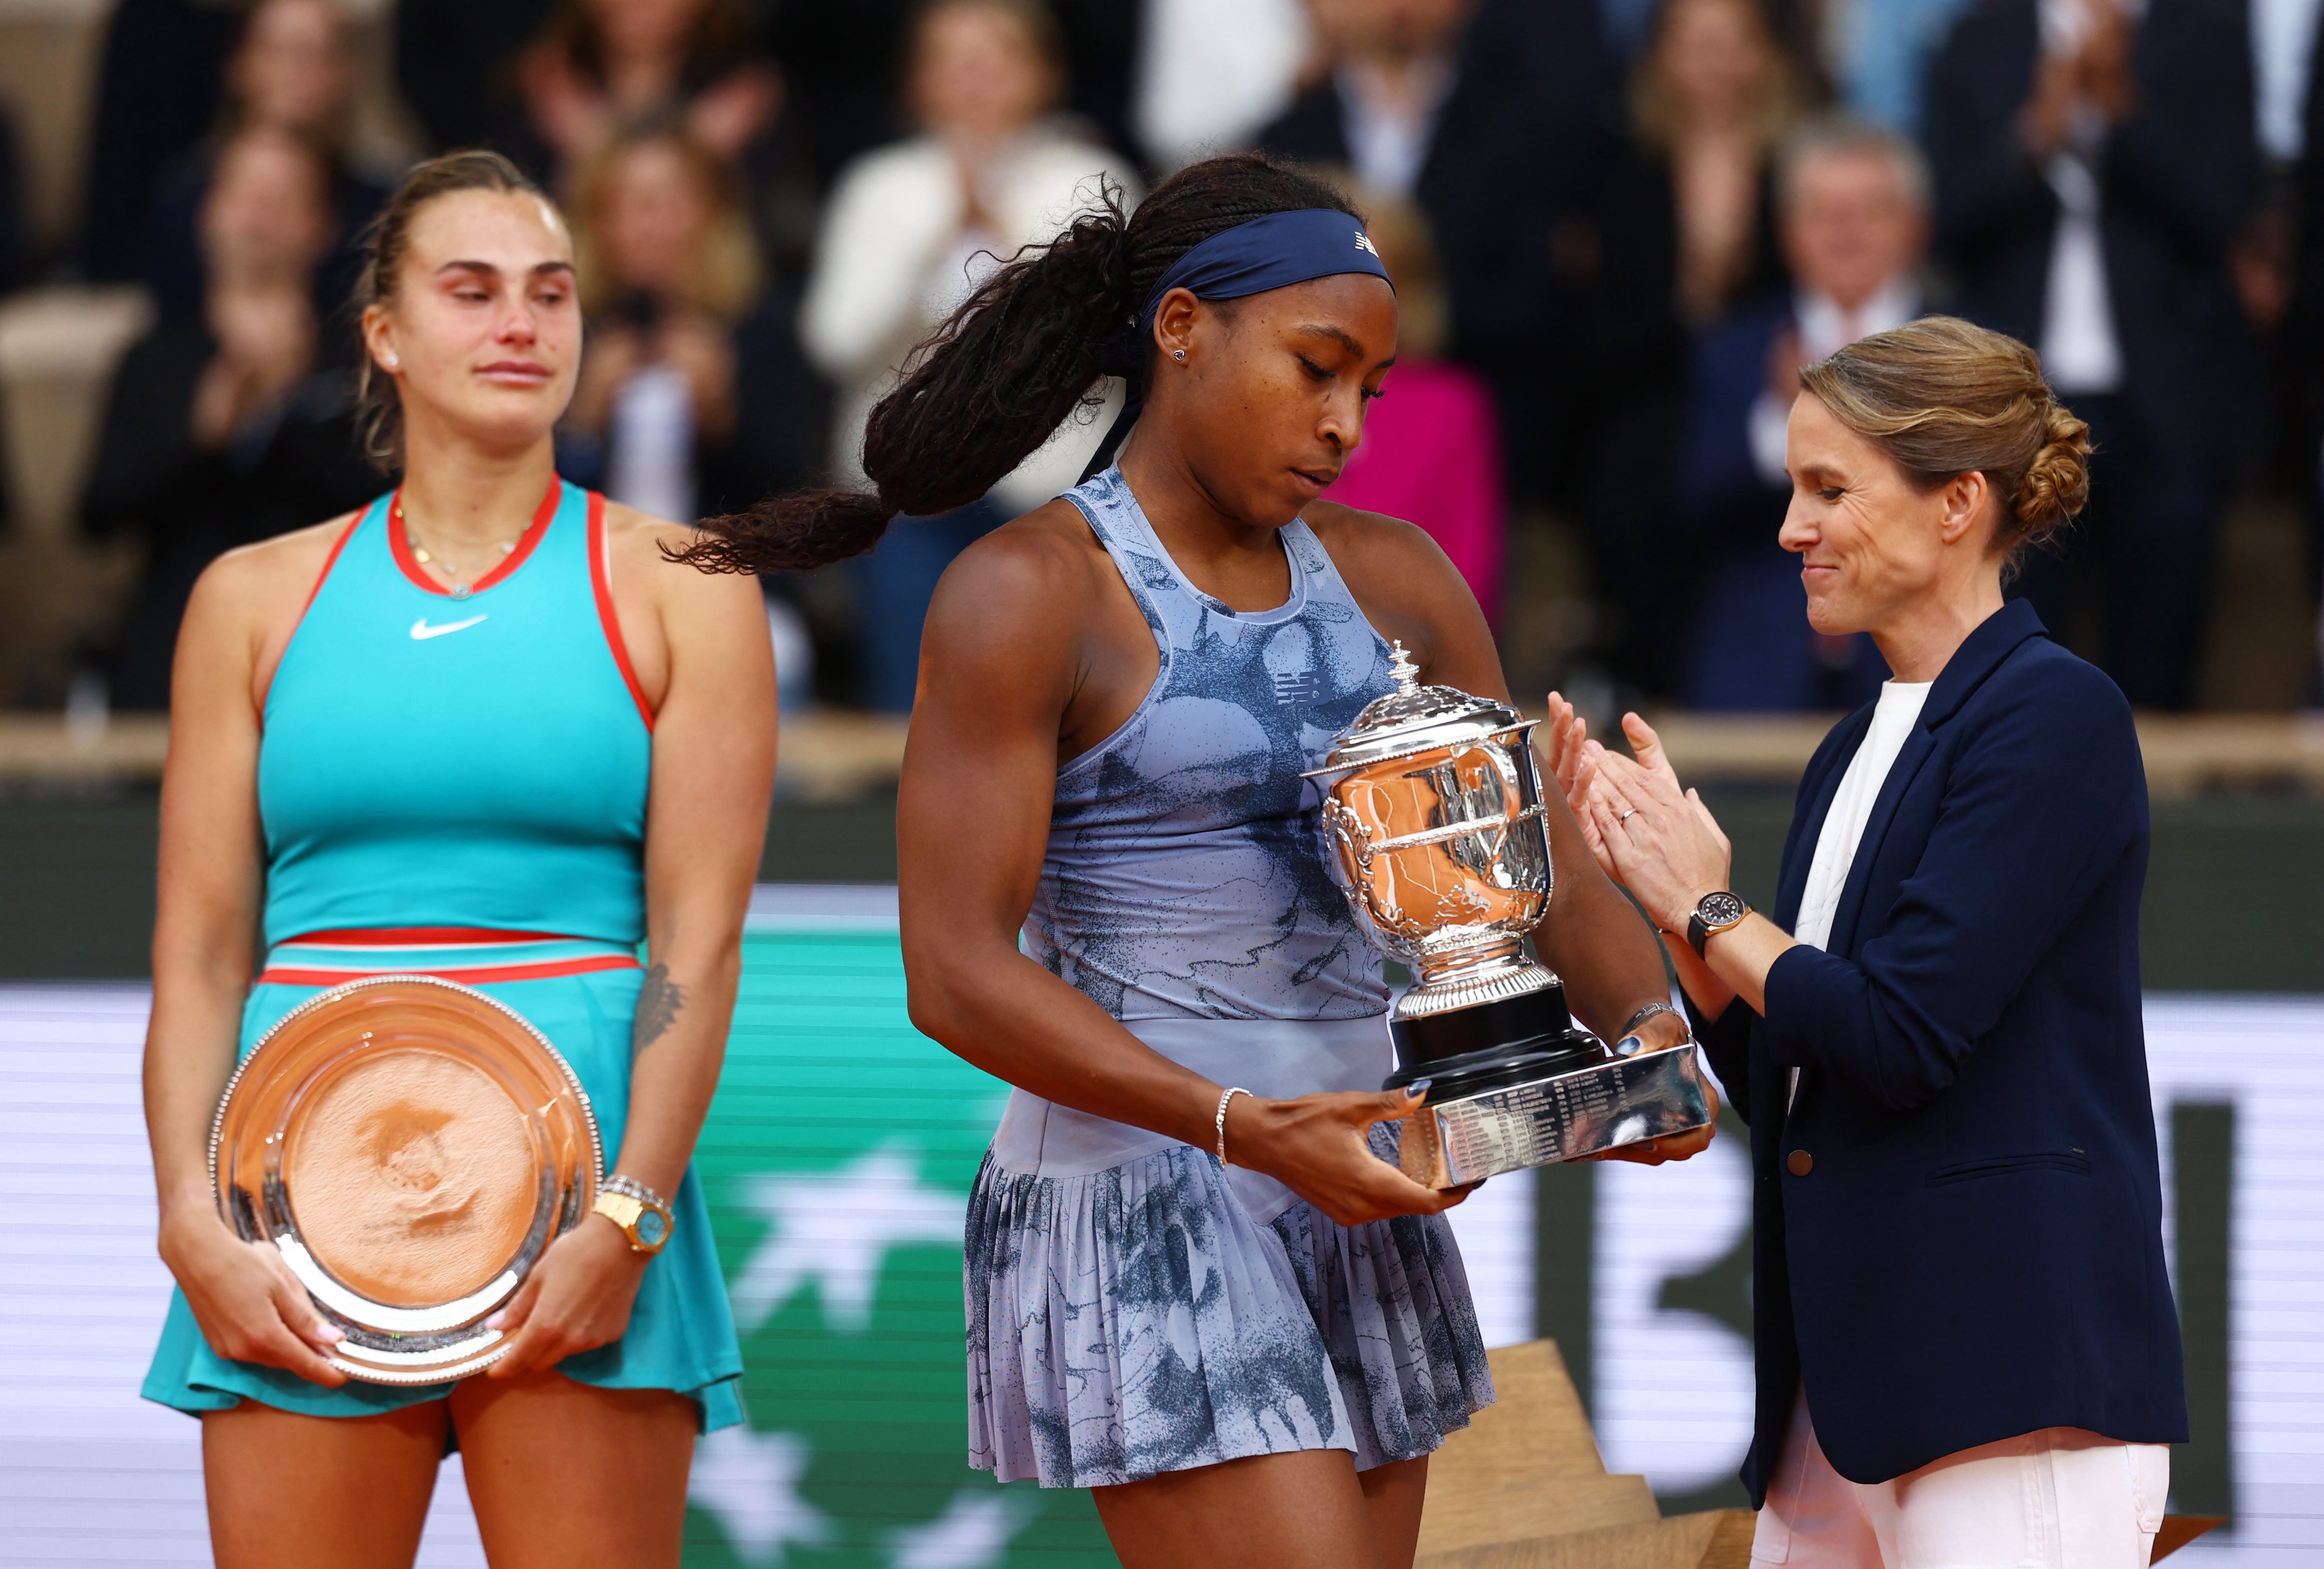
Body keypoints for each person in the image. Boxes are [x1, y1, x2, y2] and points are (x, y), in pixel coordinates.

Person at [672, 151, 1713, 1569]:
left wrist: (1646, 1035)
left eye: (1371, 390)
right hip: (1146, 1191)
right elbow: (953, 975)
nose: (1347, 424)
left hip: (1367, 1181)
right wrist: (1239, 1123)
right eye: (1314, 370)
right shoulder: (1027, 592)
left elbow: (1541, 876)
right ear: (1181, 331)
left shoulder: (1403, 575)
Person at [139, 150, 776, 1567]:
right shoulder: (249, 598)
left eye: (553, 295)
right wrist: (192, 1218)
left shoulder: (689, 585)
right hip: (293, 1194)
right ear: (383, 333)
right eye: (472, 291)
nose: (521, 326)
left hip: (585, 1201)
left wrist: (626, 1213)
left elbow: (695, 946)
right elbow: (193, 951)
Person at [1546, 316, 2185, 1563]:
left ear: (1958, 503)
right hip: (1838, 1407)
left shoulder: (2058, 712)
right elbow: (1801, 1083)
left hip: (2009, 1394)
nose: (1792, 527)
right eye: (1794, 488)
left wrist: (1712, 909)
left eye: (1829, 488)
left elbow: (1901, 1035)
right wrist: (1681, 922)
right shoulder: (1852, 746)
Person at [799, 0, 1136, 711]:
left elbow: (1124, 338)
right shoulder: (880, 186)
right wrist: (933, 246)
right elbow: (832, 340)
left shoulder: (1089, 176)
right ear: (918, 80)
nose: (975, 80)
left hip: (1054, 493)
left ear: (1042, 72)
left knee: (1050, 706)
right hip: (909, 500)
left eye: (995, 58)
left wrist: (1010, 243)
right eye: (952, 61)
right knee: (913, 708)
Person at [1922, 0, 2257, 710]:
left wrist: (2125, 115)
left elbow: (2225, 215)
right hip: (2013, 413)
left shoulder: (2207, 37)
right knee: (2005, 670)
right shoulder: (1976, 41)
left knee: (2162, 666)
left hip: (2166, 413)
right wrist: (2032, 132)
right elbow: (1943, 222)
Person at [1258, 0, 1605, 510]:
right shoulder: (1289, 134)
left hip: (1490, 437)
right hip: (1305, 442)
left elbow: (1539, 294)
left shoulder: (1527, 128)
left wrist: (1413, 329)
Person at [81, 126, 379, 711]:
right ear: (207, 215)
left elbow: (387, 502)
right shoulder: (157, 356)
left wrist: (286, 406)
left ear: (321, 227)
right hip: (176, 646)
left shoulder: (359, 360)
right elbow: (98, 514)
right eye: (244, 195)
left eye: (282, 199)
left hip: (325, 643)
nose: (259, 218)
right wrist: (204, 437)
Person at [1581, 0, 1798, 700]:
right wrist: (1692, 294)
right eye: (1696, 45)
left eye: (1734, 44)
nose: (1715, 65)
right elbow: (1595, 334)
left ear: (1766, 57)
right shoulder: (1619, 171)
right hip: (1649, 419)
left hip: (1772, 417)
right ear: (1661, 59)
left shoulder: (1797, 168)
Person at [1680, 119, 1927, 709]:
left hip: (1924, 668)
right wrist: (1779, 419)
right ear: (1788, 231)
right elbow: (1695, 498)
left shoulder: (1967, 348)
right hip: (1762, 674)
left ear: (1915, 226)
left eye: (1869, 210)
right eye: (1824, 212)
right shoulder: (1736, 346)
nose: (1847, 232)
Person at [563, 124, 821, 524]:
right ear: (595, 220)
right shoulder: (563, 329)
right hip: (589, 570)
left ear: (714, 212)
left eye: (667, 203)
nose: (649, 226)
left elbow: (801, 494)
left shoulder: (758, 326)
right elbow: (518, 500)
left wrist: (723, 417)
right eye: (627, 203)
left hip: (733, 568)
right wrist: (581, 426)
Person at [1320, 190, 1506, 622]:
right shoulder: (1263, 388)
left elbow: (1467, 576)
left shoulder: (1450, 405)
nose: (1349, 295)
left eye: (1375, 277)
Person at [144, 0, 392, 318]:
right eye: (282, 50)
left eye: (321, 53)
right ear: (239, 64)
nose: (301, 70)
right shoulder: (184, 198)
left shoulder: (382, 209)